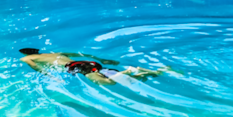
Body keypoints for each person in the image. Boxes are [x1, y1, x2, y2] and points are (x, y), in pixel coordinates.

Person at [20, 50, 168, 85]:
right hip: (89, 64)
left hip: (76, 66)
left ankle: (131, 69)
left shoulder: (26, 58)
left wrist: (50, 76)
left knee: (107, 82)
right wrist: (103, 60)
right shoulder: (55, 53)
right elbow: (82, 54)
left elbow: (36, 68)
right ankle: (155, 72)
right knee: (127, 80)